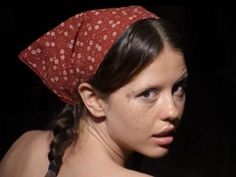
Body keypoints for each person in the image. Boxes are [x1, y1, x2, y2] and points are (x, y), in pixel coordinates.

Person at [0, 5, 188, 177]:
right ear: (93, 99)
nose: (172, 111)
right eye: (148, 93)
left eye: (178, 88)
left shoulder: (24, 146)